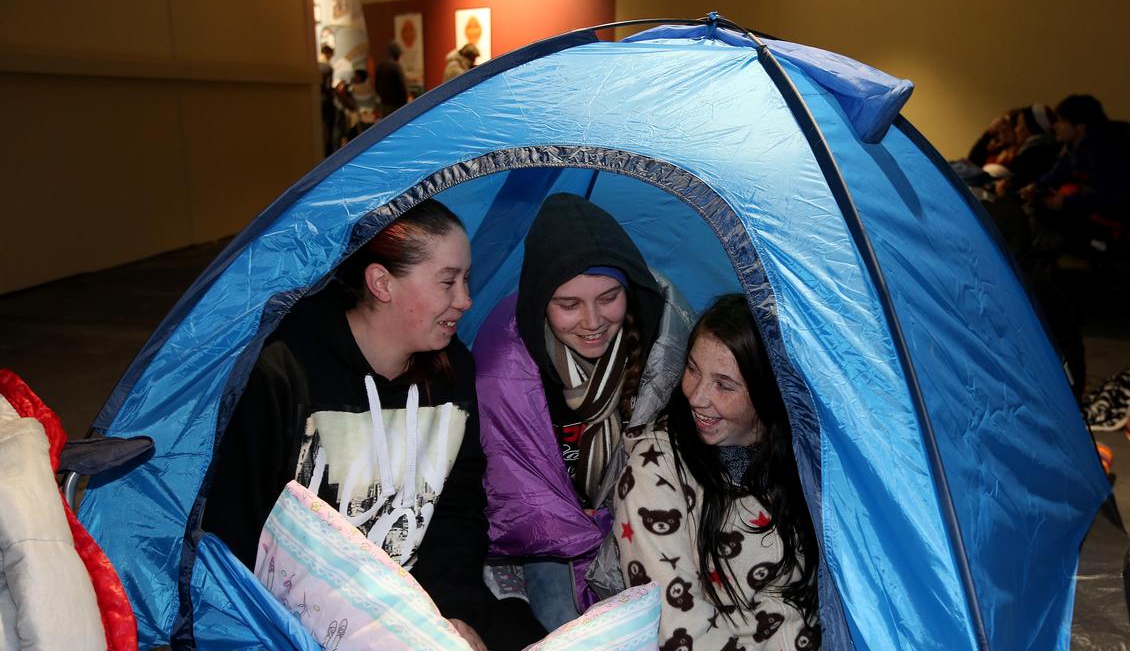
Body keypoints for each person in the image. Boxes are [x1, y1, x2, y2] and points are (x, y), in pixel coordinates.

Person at [203, 199, 543, 651]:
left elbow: (456, 511)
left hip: (423, 601)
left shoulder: (451, 368)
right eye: (448, 282)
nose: (465, 300)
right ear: (382, 283)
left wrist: (451, 616)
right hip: (296, 619)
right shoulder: (282, 371)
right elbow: (235, 527)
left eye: (466, 279)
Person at [472, 193, 695, 631]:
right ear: (539, 303)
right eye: (568, 304)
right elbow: (514, 483)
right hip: (547, 540)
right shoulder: (512, 362)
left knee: (669, 623)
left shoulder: (660, 346)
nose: (592, 321)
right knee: (562, 624)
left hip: (639, 514)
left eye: (609, 297)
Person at [614, 294, 820, 649]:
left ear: (767, 392)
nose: (696, 397)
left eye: (724, 385)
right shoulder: (656, 468)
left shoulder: (804, 464)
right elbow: (676, 630)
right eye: (692, 369)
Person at [1019, 94, 1130, 252]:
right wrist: (1035, 187)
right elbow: (1057, 173)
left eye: (1061, 121)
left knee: (1037, 215)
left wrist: (1066, 202)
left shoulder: (1102, 151)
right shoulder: (1075, 147)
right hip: (1086, 207)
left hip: (1107, 214)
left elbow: (1110, 193)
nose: (1055, 126)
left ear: (1080, 125)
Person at [375, 40, 410, 118]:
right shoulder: (396, 67)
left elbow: (376, 87)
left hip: (384, 105)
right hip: (397, 106)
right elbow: (403, 88)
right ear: (397, 54)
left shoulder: (380, 66)